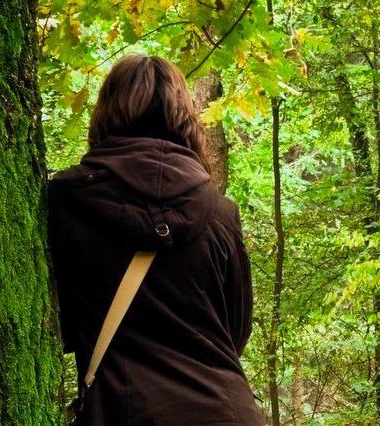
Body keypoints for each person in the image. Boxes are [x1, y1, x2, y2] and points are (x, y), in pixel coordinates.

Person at [49, 54, 263, 425]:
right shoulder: (219, 213)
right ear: (186, 119)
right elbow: (235, 332)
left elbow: (59, 327)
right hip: (227, 412)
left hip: (123, 410)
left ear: (106, 113)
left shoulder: (66, 201)